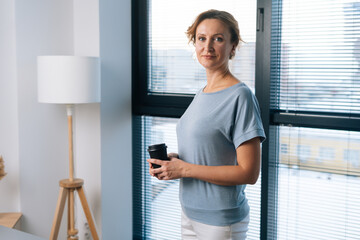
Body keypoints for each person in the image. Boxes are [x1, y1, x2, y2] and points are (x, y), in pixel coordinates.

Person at [147, 9, 266, 240]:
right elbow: (211, 151)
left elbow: (249, 173)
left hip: (220, 222)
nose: (208, 46)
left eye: (218, 39)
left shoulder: (240, 96)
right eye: (202, 38)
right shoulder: (202, 93)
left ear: (232, 47)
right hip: (189, 212)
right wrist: (176, 162)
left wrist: (185, 169)